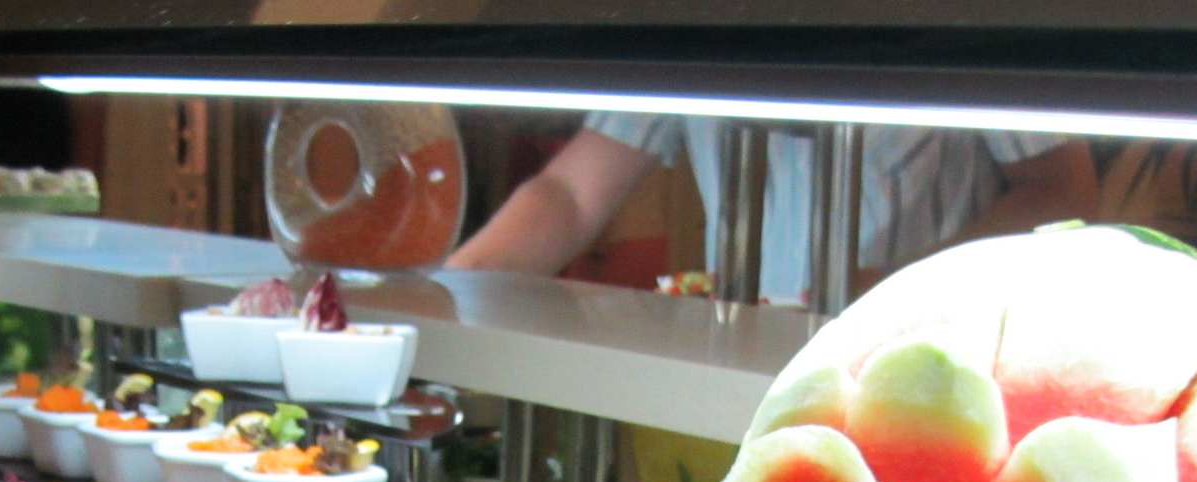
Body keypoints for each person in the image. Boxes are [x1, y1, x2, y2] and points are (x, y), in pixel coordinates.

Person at [447, 115, 1099, 304]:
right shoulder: (690, 21)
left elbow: (1061, 190)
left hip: (915, 367)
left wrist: (895, 291)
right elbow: (570, 196)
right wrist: (448, 291)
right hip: (740, 365)